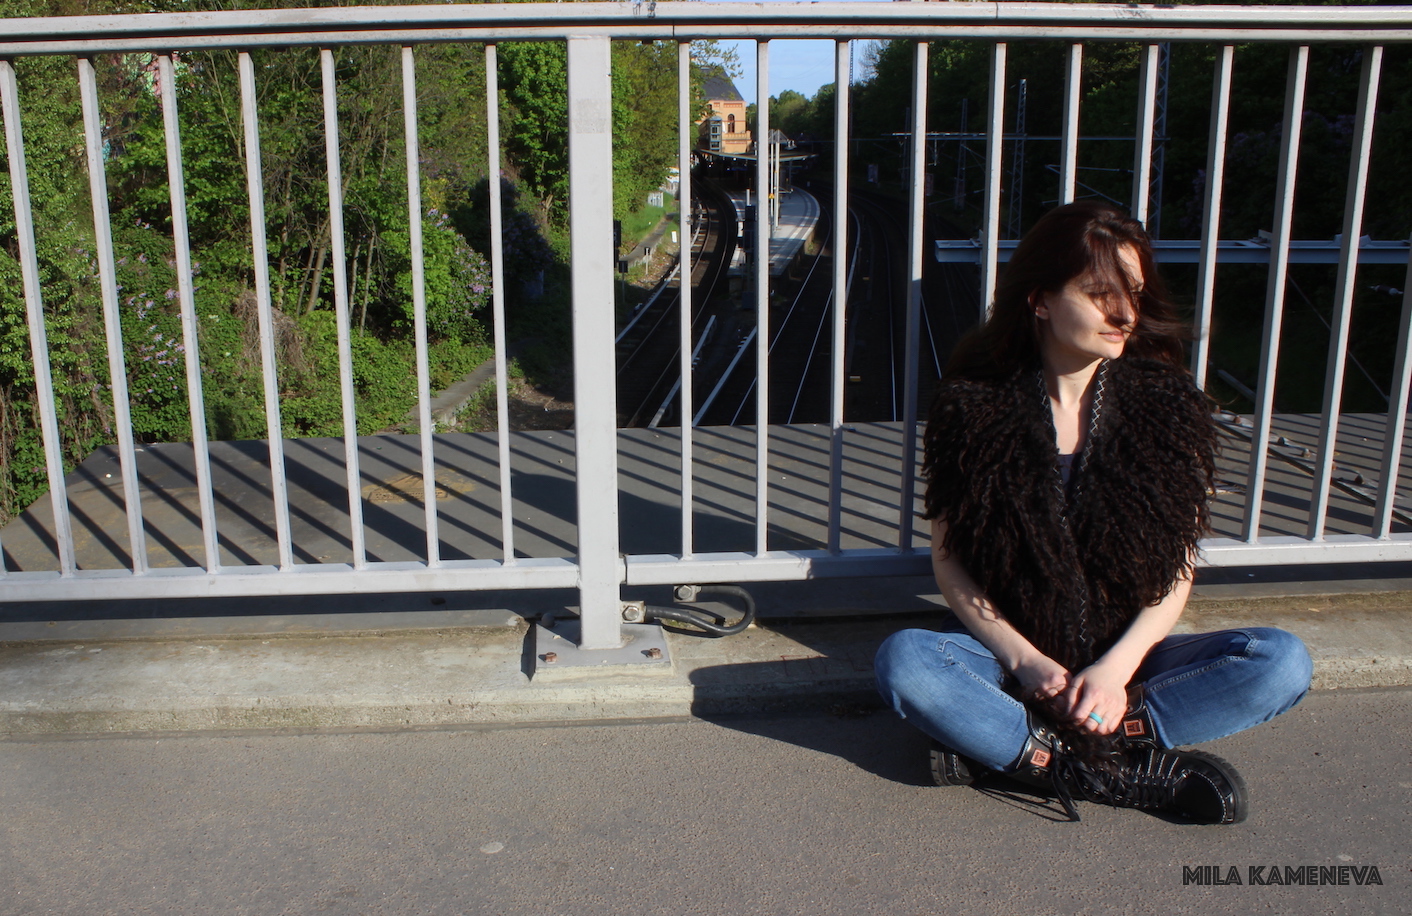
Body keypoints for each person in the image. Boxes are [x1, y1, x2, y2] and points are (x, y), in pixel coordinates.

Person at [873, 201, 1312, 824]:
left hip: (1126, 659)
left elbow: (1176, 572)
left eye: (1134, 293)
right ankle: (1116, 770)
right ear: (1040, 300)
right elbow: (951, 567)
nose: (1125, 313)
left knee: (1281, 662)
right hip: (1008, 659)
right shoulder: (973, 410)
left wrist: (1114, 670)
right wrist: (1026, 662)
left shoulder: (1164, 408)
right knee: (908, 663)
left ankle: (1030, 752)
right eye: (1101, 294)